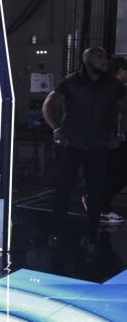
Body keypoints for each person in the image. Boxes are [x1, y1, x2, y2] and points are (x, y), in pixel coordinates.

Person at [42, 47, 126, 256]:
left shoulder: (113, 85)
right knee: (63, 190)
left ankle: (92, 236)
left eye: (105, 57)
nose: (105, 60)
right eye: (100, 57)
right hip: (72, 144)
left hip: (99, 146)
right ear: (88, 60)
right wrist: (57, 129)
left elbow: (126, 110)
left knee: (96, 192)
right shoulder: (70, 82)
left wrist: (121, 135)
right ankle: (57, 232)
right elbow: (48, 105)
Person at [98, 56, 127, 225]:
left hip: (107, 137)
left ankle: (101, 206)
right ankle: (101, 207)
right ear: (121, 71)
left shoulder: (108, 86)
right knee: (119, 173)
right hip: (109, 138)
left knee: (111, 172)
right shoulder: (114, 89)